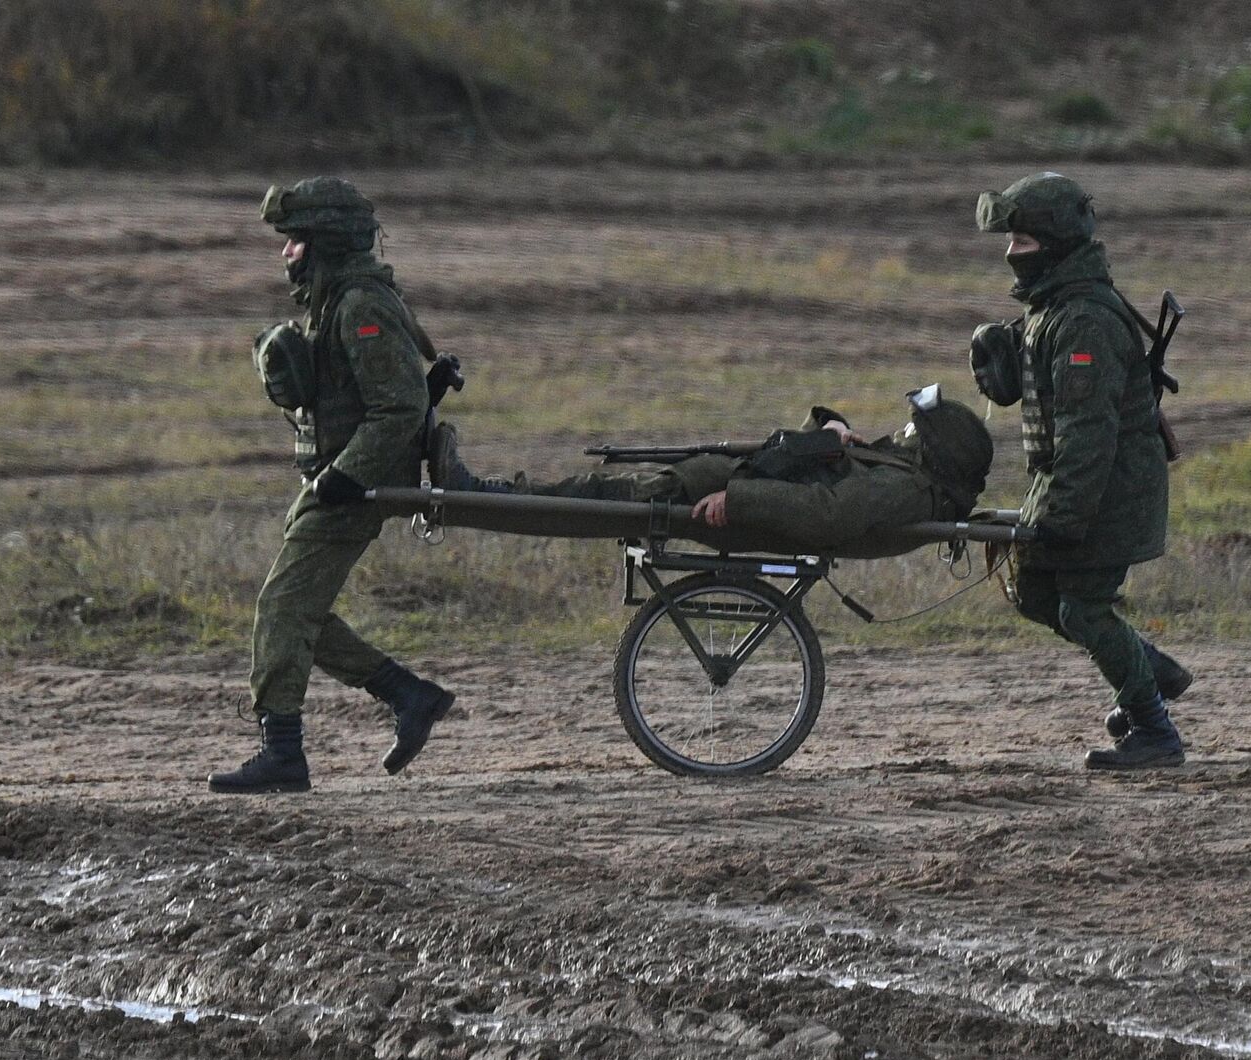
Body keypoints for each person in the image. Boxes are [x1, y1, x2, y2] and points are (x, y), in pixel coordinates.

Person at [210, 177, 457, 795]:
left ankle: (283, 754)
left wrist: (347, 476)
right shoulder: (339, 299)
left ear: (323, 244)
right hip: (338, 478)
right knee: (298, 612)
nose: (285, 254)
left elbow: (398, 409)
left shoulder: (359, 306)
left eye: (294, 243)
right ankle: (409, 696)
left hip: (356, 484)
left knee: (282, 608)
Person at [970, 171, 1193, 770]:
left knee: (1083, 608)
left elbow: (1089, 436)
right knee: (1036, 593)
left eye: (1022, 242)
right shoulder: (1056, 308)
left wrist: (1063, 516)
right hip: (1076, 485)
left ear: (1057, 243)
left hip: (1109, 491)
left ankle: (1154, 731)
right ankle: (1149, 672)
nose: (1010, 254)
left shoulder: (1083, 321)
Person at [428, 385, 995, 547]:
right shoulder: (902, 469)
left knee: (598, 500)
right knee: (604, 488)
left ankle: (472, 496)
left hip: (734, 500)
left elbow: (831, 513)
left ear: (933, 452)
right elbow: (828, 474)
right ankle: (474, 493)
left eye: (914, 432)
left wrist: (739, 500)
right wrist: (834, 433)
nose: (903, 433)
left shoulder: (909, 490)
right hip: (733, 480)